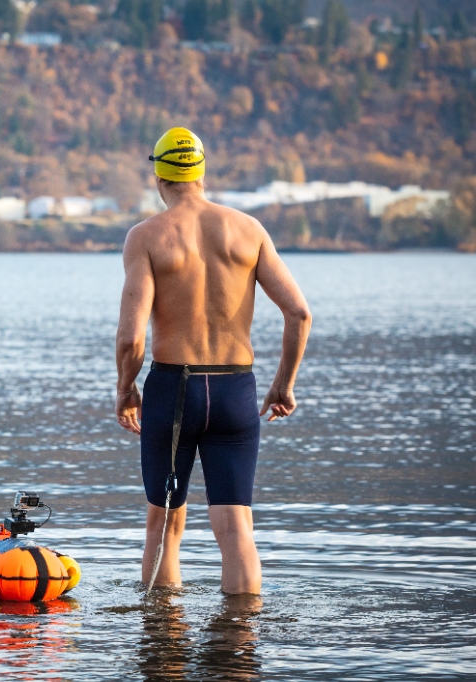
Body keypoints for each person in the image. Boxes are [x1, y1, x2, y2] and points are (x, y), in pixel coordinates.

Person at [115, 127, 312, 595]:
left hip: (174, 393)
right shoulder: (248, 229)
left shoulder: (146, 237)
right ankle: (239, 648)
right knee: (237, 530)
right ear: (201, 172)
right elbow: (299, 313)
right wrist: (284, 384)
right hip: (235, 392)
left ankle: (164, 645)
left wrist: (126, 389)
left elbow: (130, 338)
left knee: (163, 528)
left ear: (158, 175)